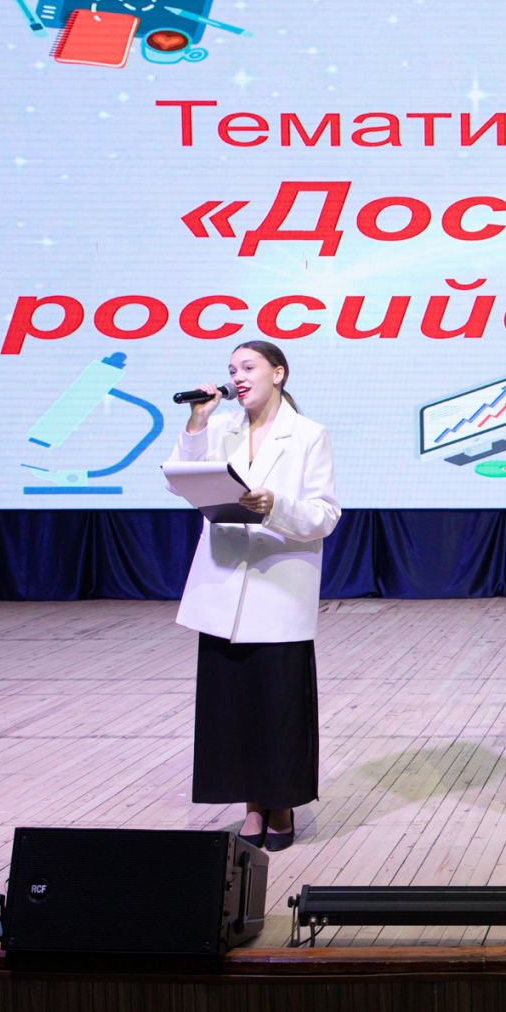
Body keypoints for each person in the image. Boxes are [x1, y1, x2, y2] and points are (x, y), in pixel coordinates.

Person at [170, 340, 340, 853]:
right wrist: (197, 422)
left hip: (278, 587)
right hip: (223, 587)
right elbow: (180, 482)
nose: (237, 378)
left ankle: (281, 804)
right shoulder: (220, 428)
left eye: (248, 367)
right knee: (233, 706)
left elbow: (324, 515)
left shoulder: (308, 434)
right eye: (231, 369)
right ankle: (250, 805)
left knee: (278, 706)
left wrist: (274, 505)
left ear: (278, 373)